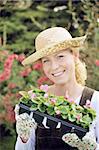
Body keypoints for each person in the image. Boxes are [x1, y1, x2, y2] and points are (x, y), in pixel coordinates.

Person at [15, 27, 99, 150]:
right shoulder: (35, 101)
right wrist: (23, 136)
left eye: (60, 56)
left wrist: (91, 147)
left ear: (75, 55)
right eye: (46, 60)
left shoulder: (95, 101)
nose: (54, 67)